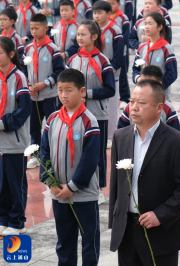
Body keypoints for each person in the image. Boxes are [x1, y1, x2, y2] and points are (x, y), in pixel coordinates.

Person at [109, 79, 180, 266]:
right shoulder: (120, 136)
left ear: (159, 107)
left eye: (141, 103)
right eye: (132, 102)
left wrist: (161, 214)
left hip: (160, 233)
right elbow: (117, 186)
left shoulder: (177, 141)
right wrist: (115, 223)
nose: (133, 108)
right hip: (126, 232)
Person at [40, 69, 101, 266]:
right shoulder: (52, 119)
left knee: (89, 243)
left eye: (69, 90)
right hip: (59, 194)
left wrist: (72, 186)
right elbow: (44, 153)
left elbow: (90, 160)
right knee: (64, 242)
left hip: (84, 194)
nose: (64, 95)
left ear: (82, 91)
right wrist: (51, 183)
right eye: (60, 90)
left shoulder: (88, 121)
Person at [66, 19, 115, 204]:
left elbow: (110, 89)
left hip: (97, 114)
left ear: (94, 37)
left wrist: (89, 94)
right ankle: (78, 183)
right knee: (78, 150)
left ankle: (100, 187)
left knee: (98, 152)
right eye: (78, 34)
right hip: (76, 114)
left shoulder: (103, 61)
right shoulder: (73, 60)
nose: (79, 37)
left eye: (83, 34)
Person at [21, 14, 64, 169]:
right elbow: (24, 71)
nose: (33, 31)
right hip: (33, 96)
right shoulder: (28, 49)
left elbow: (60, 70)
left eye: (36, 28)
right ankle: (36, 155)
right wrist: (29, 86)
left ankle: (53, 153)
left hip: (49, 95)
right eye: (31, 28)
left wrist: (45, 83)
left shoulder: (52, 49)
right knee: (34, 127)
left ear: (46, 28)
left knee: (52, 124)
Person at [0, 37, 31, 236]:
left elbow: (24, 110)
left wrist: (3, 123)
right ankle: (3, 219)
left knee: (15, 184)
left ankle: (17, 221)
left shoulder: (19, 77)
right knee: (1, 185)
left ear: (11, 55)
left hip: (14, 142)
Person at [92, 1, 124, 151]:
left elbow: (118, 55)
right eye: (94, 13)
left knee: (111, 105)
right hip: (93, 73)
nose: (96, 16)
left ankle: (111, 136)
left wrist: (108, 68)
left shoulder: (115, 30)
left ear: (108, 13)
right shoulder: (92, 30)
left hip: (111, 73)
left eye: (100, 13)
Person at [118, 65, 180, 131]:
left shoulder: (168, 109)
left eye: (149, 84)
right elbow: (121, 134)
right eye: (141, 83)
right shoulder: (129, 107)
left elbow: (176, 136)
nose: (134, 108)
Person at [132, 12, 177, 101]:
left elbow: (172, 74)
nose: (147, 26)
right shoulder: (142, 47)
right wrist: (138, 79)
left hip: (160, 95)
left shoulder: (166, 48)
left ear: (160, 27)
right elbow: (135, 69)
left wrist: (157, 86)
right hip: (142, 93)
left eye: (150, 23)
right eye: (145, 24)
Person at [108, 0, 131, 110]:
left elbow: (125, 36)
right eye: (109, 3)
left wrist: (117, 46)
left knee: (122, 75)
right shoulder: (105, 17)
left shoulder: (123, 18)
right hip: (107, 51)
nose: (111, 6)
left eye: (113, 3)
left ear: (119, 4)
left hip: (120, 51)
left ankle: (125, 98)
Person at [51, 0, 79, 65]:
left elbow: (78, 44)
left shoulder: (77, 27)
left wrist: (66, 53)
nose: (63, 13)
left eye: (66, 10)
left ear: (73, 11)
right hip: (58, 59)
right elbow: (50, 40)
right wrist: (55, 48)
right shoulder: (55, 26)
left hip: (72, 60)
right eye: (62, 10)